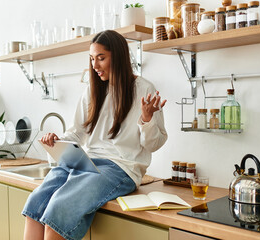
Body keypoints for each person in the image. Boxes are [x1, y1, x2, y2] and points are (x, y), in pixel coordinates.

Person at [22, 30, 168, 240]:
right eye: (92, 59)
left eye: (101, 58)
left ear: (118, 57)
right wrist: (57, 143)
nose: (95, 66)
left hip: (121, 168)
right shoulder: (92, 90)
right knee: (37, 201)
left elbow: (154, 144)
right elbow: (77, 133)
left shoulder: (144, 89)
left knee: (59, 207)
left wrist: (146, 119)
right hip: (86, 162)